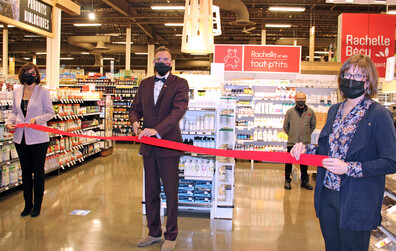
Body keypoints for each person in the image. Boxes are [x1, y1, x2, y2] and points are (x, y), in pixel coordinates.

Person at [291, 54, 396, 250]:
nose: (351, 80)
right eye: (347, 74)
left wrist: (348, 168)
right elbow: (326, 150)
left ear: (368, 81)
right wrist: (305, 148)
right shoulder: (335, 110)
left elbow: (390, 161)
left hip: (357, 200)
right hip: (328, 196)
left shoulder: (378, 114)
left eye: (358, 76)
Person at [129, 46, 189, 251]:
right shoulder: (145, 84)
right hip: (148, 146)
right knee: (151, 191)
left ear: (170, 62)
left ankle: (171, 235)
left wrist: (157, 130)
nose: (162, 62)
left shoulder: (180, 84)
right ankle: (153, 232)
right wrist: (135, 121)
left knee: (171, 192)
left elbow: (178, 111)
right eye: (158, 59)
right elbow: (135, 107)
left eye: (166, 58)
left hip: (169, 145)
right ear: (153, 62)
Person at [5, 63, 54, 217]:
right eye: (26, 72)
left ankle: (37, 205)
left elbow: (50, 113)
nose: (29, 75)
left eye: (32, 72)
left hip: (38, 137)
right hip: (21, 137)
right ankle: (27, 204)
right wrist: (8, 122)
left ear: (36, 75)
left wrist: (36, 120)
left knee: (38, 172)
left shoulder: (43, 92)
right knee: (26, 172)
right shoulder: (17, 91)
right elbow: (14, 112)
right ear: (22, 75)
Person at [283, 92, 316, 190]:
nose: (301, 100)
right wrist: (292, 134)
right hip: (292, 141)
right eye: (299, 98)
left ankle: (304, 182)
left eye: (303, 98)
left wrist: (306, 134)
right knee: (289, 161)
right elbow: (286, 126)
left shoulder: (310, 111)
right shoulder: (290, 112)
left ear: (305, 99)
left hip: (305, 142)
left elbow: (312, 125)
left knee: (304, 163)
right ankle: (287, 180)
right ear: (295, 99)